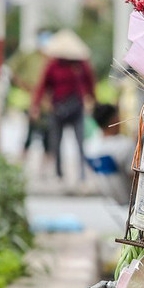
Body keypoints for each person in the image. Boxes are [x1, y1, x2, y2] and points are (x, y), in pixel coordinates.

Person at [31, 29, 97, 182]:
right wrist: (36, 105)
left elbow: (90, 83)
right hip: (57, 107)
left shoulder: (81, 65)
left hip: (76, 107)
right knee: (56, 142)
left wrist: (93, 100)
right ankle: (59, 173)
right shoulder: (53, 65)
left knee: (80, 142)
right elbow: (42, 86)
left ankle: (81, 174)